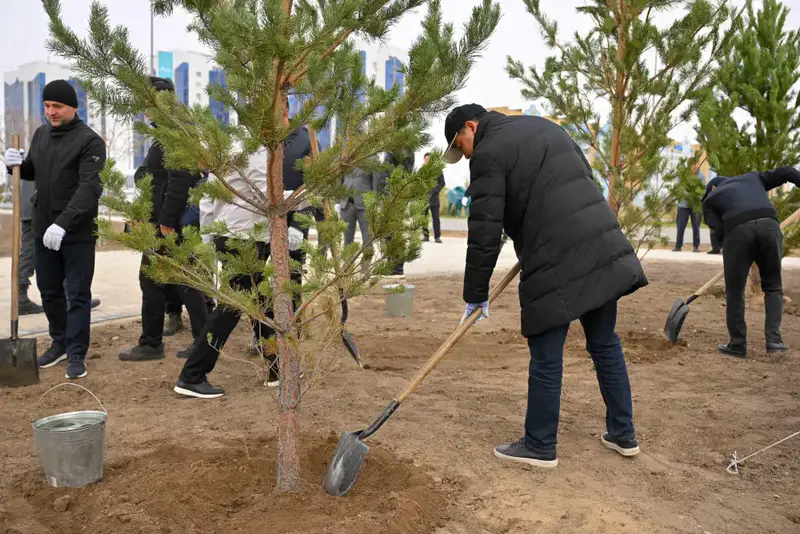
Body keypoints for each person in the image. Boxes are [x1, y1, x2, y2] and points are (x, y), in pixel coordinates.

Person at [444, 104, 647, 467]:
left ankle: (539, 444)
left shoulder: (489, 152)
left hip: (554, 252)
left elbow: (484, 231)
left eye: (461, 145)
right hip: (600, 242)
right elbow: (579, 178)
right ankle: (623, 433)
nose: (464, 155)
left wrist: (475, 294)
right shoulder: (546, 127)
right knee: (604, 342)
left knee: (546, 349)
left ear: (470, 127)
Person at [174, 120, 311, 398]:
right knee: (232, 308)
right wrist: (314, 190)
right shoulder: (256, 154)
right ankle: (192, 374)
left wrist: (210, 236)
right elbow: (272, 200)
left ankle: (276, 367)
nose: (286, 127)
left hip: (232, 236)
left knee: (258, 305)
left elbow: (209, 199)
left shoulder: (231, 149)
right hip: (245, 240)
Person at [4, 80, 106, 379]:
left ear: (74, 107)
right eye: (47, 106)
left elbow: (89, 188)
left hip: (76, 233)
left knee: (77, 294)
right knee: (49, 291)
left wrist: (63, 224)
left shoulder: (90, 141)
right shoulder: (41, 134)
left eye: (58, 106)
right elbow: (34, 170)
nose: (51, 112)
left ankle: (76, 352)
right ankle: (59, 341)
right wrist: (16, 165)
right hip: (42, 227)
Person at [118, 76, 209, 362]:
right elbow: (158, 176)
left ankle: (154, 343)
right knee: (182, 280)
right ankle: (195, 340)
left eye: (148, 101)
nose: (144, 108)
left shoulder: (176, 130)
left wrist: (167, 220)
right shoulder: (169, 129)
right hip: (163, 219)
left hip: (168, 223)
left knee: (168, 280)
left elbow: (180, 178)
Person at [701, 167, 800, 358]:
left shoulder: (710, 200)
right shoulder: (752, 178)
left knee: (735, 289)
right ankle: (774, 341)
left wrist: (734, 254)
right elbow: (787, 172)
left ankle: (737, 344)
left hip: (737, 232)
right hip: (769, 226)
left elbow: (719, 233)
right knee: (773, 286)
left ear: (712, 188)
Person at [15, 170, 43, 315]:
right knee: (29, 252)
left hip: (31, 205)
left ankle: (68, 295)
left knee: (29, 251)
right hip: (37, 206)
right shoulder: (44, 148)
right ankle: (20, 299)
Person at [341, 165, 375, 247]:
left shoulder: (372, 158)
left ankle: (367, 258)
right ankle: (348, 259)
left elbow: (376, 182)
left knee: (367, 238)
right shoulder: (345, 156)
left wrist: (375, 202)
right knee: (347, 239)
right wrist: (338, 200)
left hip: (365, 203)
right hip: (346, 203)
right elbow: (340, 179)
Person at [422, 152, 445, 243]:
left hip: (434, 198)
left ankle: (437, 237)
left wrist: (434, 191)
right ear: (424, 159)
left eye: (429, 159)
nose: (428, 161)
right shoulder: (421, 170)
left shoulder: (438, 170)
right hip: (423, 198)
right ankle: (425, 236)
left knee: (436, 219)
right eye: (426, 159)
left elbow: (442, 183)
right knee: (423, 218)